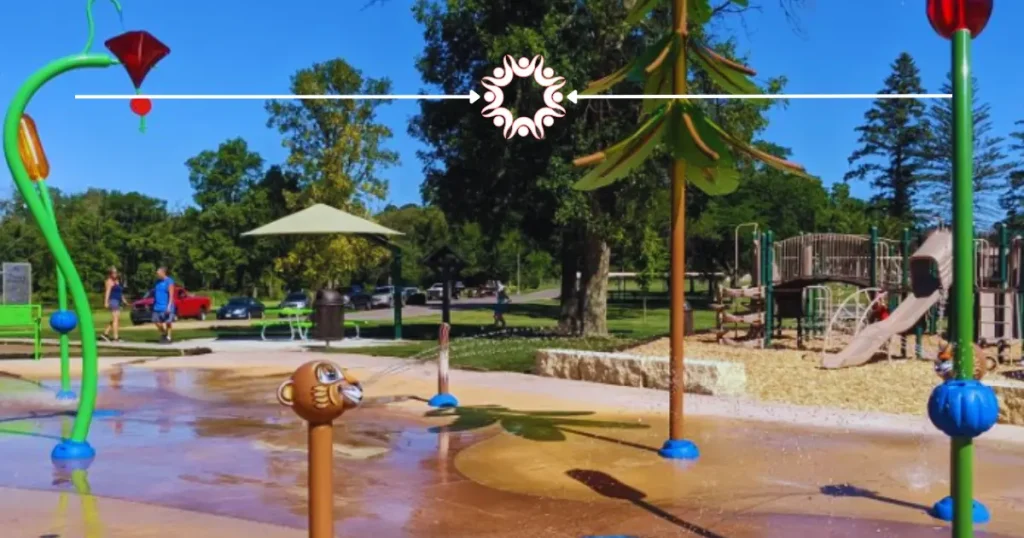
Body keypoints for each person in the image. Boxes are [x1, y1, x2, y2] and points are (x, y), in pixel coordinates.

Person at [152, 266, 176, 344]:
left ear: (163, 273)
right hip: (157, 306)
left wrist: (169, 306)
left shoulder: (169, 281)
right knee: (156, 321)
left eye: (158, 273)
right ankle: (164, 333)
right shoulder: (157, 282)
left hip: (166, 306)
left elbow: (171, 295)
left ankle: (169, 337)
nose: (157, 274)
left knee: (168, 322)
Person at [101, 266, 126, 342]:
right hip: (113, 301)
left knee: (115, 319)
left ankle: (105, 334)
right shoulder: (109, 282)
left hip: (118, 301)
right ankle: (115, 338)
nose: (115, 274)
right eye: (114, 273)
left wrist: (123, 300)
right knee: (115, 320)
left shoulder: (117, 281)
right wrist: (106, 302)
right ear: (110, 274)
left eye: (116, 272)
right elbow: (107, 292)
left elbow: (120, 292)